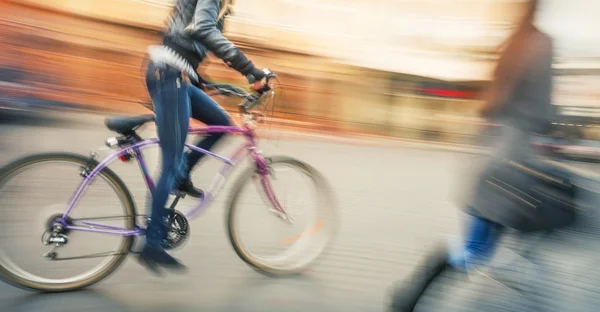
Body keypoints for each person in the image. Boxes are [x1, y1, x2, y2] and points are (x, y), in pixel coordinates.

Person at [389, 0, 555, 310]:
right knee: (479, 249)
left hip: (489, 159)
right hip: (512, 166)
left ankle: (412, 294)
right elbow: (543, 113)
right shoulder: (539, 44)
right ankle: (410, 296)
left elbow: (490, 104)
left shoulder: (512, 45)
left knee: (483, 247)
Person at [140, 0, 268, 274]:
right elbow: (203, 28)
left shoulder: (223, 5)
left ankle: (183, 173)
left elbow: (185, 38)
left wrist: (206, 81)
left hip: (178, 76)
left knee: (221, 122)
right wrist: (249, 69)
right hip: (168, 75)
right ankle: (151, 243)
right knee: (170, 164)